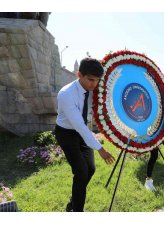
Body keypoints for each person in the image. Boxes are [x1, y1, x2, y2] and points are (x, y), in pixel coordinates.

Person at [54, 57, 115, 212]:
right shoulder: (66, 94)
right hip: (67, 134)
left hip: (82, 132)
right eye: (90, 80)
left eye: (97, 81)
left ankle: (72, 204)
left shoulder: (93, 89)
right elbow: (79, 125)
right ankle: (77, 211)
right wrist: (100, 149)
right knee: (81, 171)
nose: (93, 85)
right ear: (78, 74)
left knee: (91, 169)